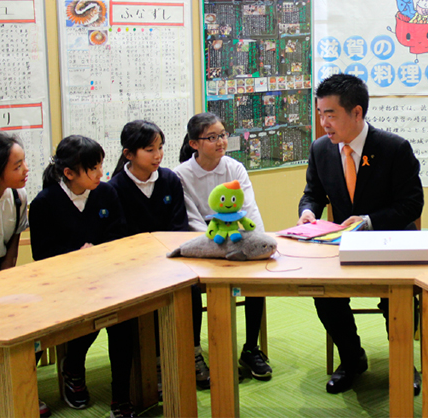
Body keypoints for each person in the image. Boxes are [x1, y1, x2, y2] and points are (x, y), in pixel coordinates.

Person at [298, 74, 424, 395]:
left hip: (392, 241)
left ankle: (403, 359)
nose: (324, 122)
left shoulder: (394, 148)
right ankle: (352, 358)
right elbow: (313, 192)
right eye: (320, 113)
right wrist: (308, 211)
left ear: (356, 113)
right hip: (345, 244)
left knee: (397, 297)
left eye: (331, 114)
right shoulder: (321, 149)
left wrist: (368, 220)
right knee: (324, 293)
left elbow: (412, 205)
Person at [29, 135, 133, 418]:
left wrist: (97, 254)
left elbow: (118, 234)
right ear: (69, 173)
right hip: (63, 285)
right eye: (93, 169)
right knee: (83, 318)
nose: (102, 174)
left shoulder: (106, 193)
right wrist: (77, 256)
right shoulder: (44, 202)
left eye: (100, 166)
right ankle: (73, 366)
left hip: (106, 278)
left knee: (124, 321)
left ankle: (121, 398)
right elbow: (42, 253)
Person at [174, 112, 271, 382]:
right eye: (212, 137)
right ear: (194, 144)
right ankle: (195, 353)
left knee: (257, 277)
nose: (221, 142)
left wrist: (254, 243)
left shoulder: (234, 168)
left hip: (237, 244)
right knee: (191, 287)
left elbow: (249, 210)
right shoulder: (180, 175)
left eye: (223, 135)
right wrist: (216, 246)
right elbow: (192, 220)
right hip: (204, 249)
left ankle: (251, 348)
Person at [108, 120, 190, 396]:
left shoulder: (169, 179)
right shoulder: (115, 188)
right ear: (128, 154)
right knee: (128, 322)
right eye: (149, 149)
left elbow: (179, 226)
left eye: (160, 148)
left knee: (186, 298)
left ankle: (174, 365)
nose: (158, 155)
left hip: (168, 262)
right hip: (132, 271)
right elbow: (119, 236)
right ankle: (131, 382)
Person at [0, 133, 51, 418]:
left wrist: (7, 270)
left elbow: (14, 238)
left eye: (24, 162)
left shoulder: (17, 195)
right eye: (17, 165)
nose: (26, 170)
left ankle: (18, 388)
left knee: (33, 328)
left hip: (1, 270)